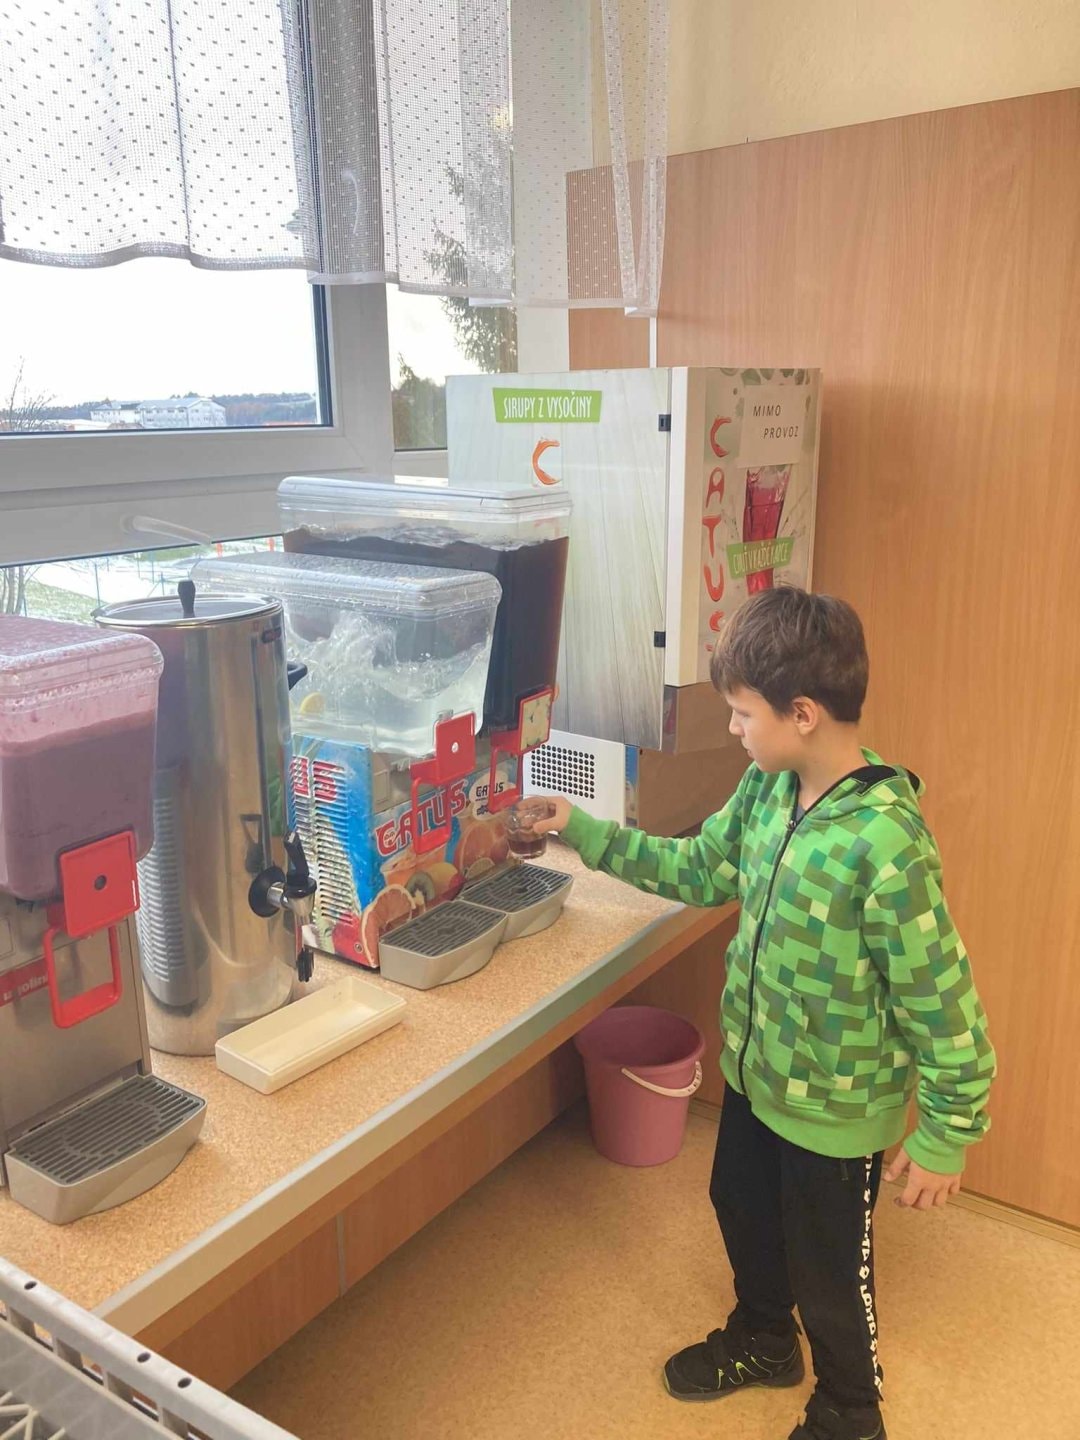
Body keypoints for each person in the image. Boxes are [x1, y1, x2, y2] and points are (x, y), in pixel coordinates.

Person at [520, 587, 995, 1440]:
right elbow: (703, 870)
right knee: (739, 1205)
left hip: (838, 1109)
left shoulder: (887, 845)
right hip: (757, 1073)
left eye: (743, 713)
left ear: (802, 714)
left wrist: (946, 1132)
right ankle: (766, 1339)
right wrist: (586, 831)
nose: (735, 728)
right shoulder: (767, 790)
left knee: (829, 1267)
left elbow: (944, 1000)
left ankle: (850, 1409)